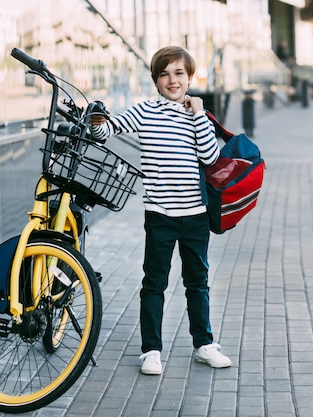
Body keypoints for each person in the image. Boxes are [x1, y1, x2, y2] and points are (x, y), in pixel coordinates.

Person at [90, 46, 232, 375]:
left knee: (197, 282)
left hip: (195, 215)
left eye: (179, 73)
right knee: (155, 283)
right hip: (159, 216)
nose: (172, 80)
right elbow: (106, 131)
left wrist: (198, 114)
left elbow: (211, 158)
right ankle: (151, 350)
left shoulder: (198, 116)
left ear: (189, 78)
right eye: (165, 74)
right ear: (156, 80)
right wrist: (97, 119)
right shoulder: (143, 112)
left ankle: (204, 344)